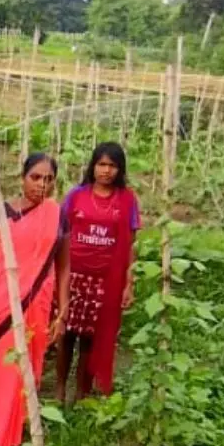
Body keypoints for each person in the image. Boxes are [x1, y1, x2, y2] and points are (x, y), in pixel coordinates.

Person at [0, 153, 70, 446]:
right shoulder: (0, 212)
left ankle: (7, 438)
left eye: (49, 179)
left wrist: (62, 312)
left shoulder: (56, 215)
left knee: (21, 373)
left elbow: (63, 267)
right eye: (36, 177)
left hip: (36, 308)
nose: (42, 185)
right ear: (22, 177)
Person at [55, 141, 141, 404]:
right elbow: (59, 235)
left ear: (120, 169)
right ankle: (59, 390)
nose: (106, 171)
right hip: (73, 275)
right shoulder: (76, 196)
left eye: (112, 166)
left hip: (106, 279)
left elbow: (131, 243)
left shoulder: (127, 200)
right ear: (92, 167)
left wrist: (129, 283)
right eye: (101, 164)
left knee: (91, 339)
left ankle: (82, 393)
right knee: (66, 334)